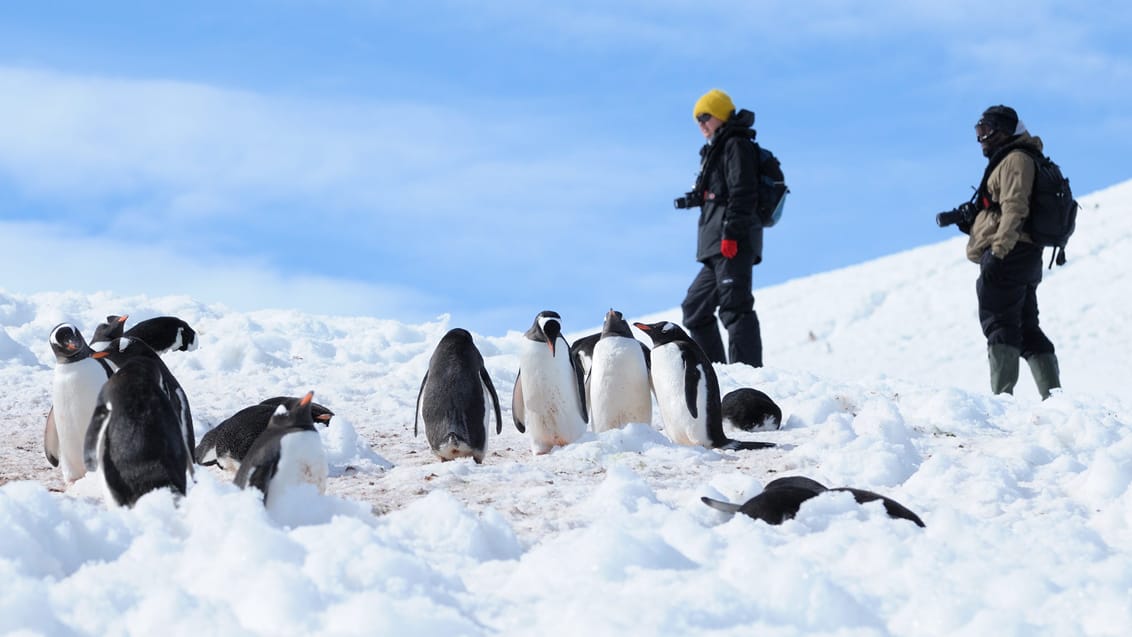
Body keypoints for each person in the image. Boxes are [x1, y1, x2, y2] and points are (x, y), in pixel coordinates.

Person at [963, 104, 1061, 399]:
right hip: (1025, 253)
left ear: (1004, 131)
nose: (982, 139)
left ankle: (1002, 400)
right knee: (1027, 327)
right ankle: (1055, 399)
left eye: (986, 131)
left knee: (999, 322)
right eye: (978, 132)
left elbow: (1015, 207)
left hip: (1011, 252)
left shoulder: (1016, 159)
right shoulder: (1015, 158)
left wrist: (999, 251)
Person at [677, 88, 763, 367]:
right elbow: (722, 191)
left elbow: (743, 191)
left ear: (720, 114)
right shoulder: (717, 150)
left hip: (731, 240)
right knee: (695, 308)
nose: (701, 124)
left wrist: (732, 234)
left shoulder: (735, 145)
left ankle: (747, 374)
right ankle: (717, 372)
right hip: (716, 244)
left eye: (705, 116)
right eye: (697, 120)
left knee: (735, 308)